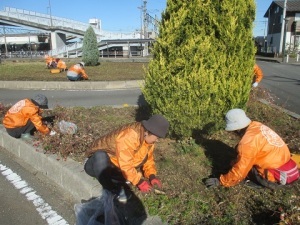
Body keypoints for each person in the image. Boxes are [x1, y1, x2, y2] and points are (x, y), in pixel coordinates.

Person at [205, 108, 299, 189]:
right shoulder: (257, 125)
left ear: (237, 129)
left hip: (276, 176)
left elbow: (240, 170)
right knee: (239, 152)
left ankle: (261, 183)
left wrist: (221, 181)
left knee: (244, 167)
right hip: (288, 168)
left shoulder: (248, 144)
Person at [84, 114, 169, 202]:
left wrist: (152, 176)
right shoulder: (130, 135)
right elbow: (125, 164)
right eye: (157, 137)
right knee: (100, 156)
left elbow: (148, 159)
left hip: (115, 167)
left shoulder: (148, 140)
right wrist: (139, 181)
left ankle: (116, 182)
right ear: (149, 132)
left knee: (121, 177)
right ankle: (113, 191)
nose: (157, 140)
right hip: (95, 164)